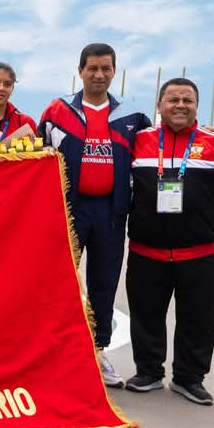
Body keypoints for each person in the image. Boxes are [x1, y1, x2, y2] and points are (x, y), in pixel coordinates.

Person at [124, 78, 214, 405]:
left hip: (200, 253)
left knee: (199, 318)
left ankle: (189, 378)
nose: (180, 105)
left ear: (197, 106)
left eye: (187, 100)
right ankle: (149, 372)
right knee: (146, 314)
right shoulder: (139, 141)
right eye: (173, 99)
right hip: (145, 251)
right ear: (159, 105)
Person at [39, 42, 151, 387]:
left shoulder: (132, 117)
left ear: (114, 72)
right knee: (59, 284)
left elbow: (156, 150)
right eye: (93, 69)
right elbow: (32, 158)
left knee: (103, 287)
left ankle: (98, 353)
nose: (99, 75)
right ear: (80, 71)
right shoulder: (57, 112)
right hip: (69, 213)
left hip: (111, 215)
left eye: (106, 69)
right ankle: (53, 357)